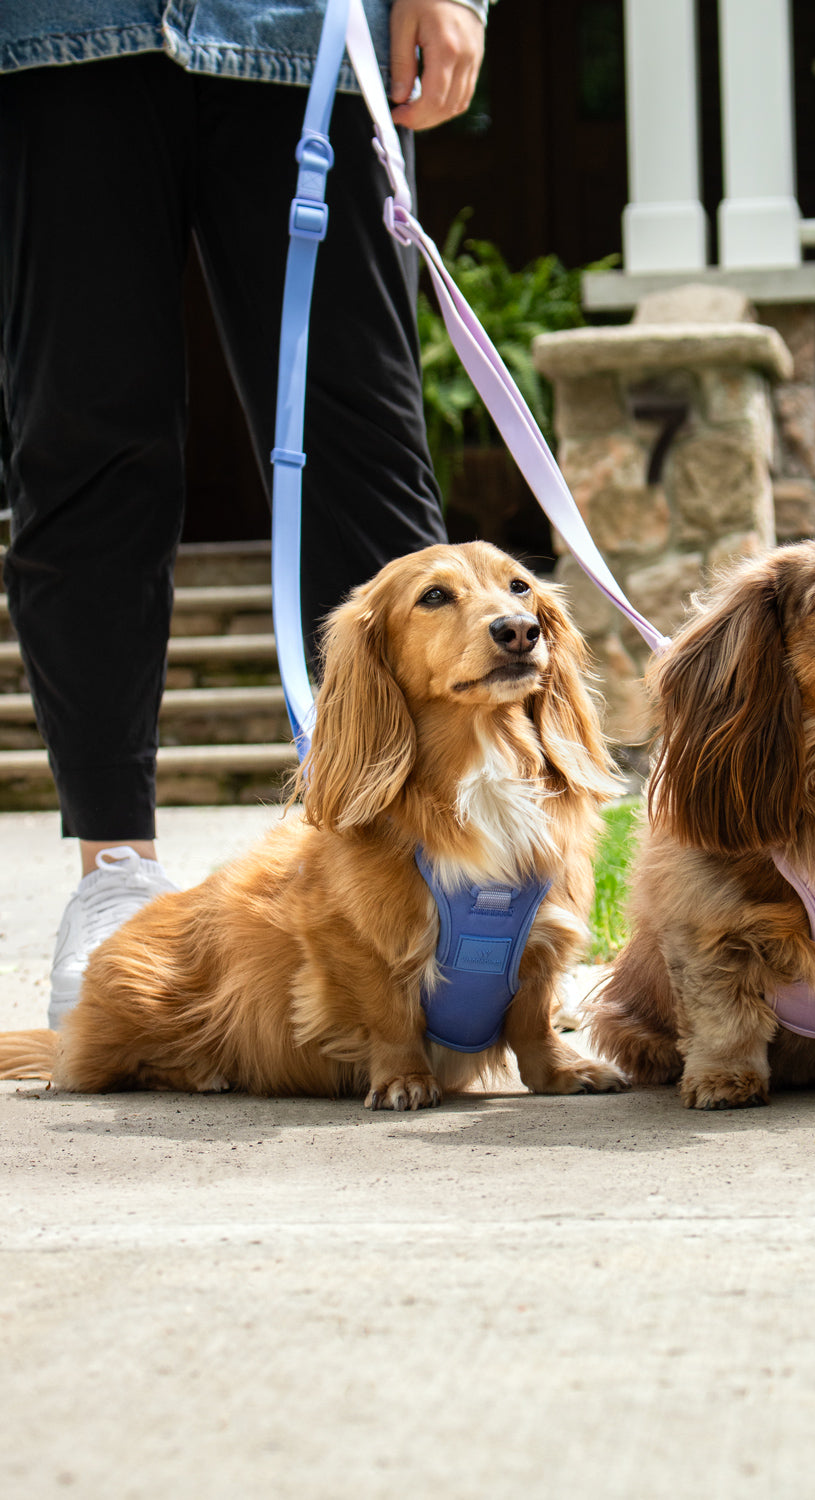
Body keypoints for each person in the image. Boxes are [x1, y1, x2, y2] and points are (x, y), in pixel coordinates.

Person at [0, 0, 488, 1026]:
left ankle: (430, 858)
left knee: (364, 446)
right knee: (81, 437)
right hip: (56, 31)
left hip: (305, 31)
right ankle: (115, 873)